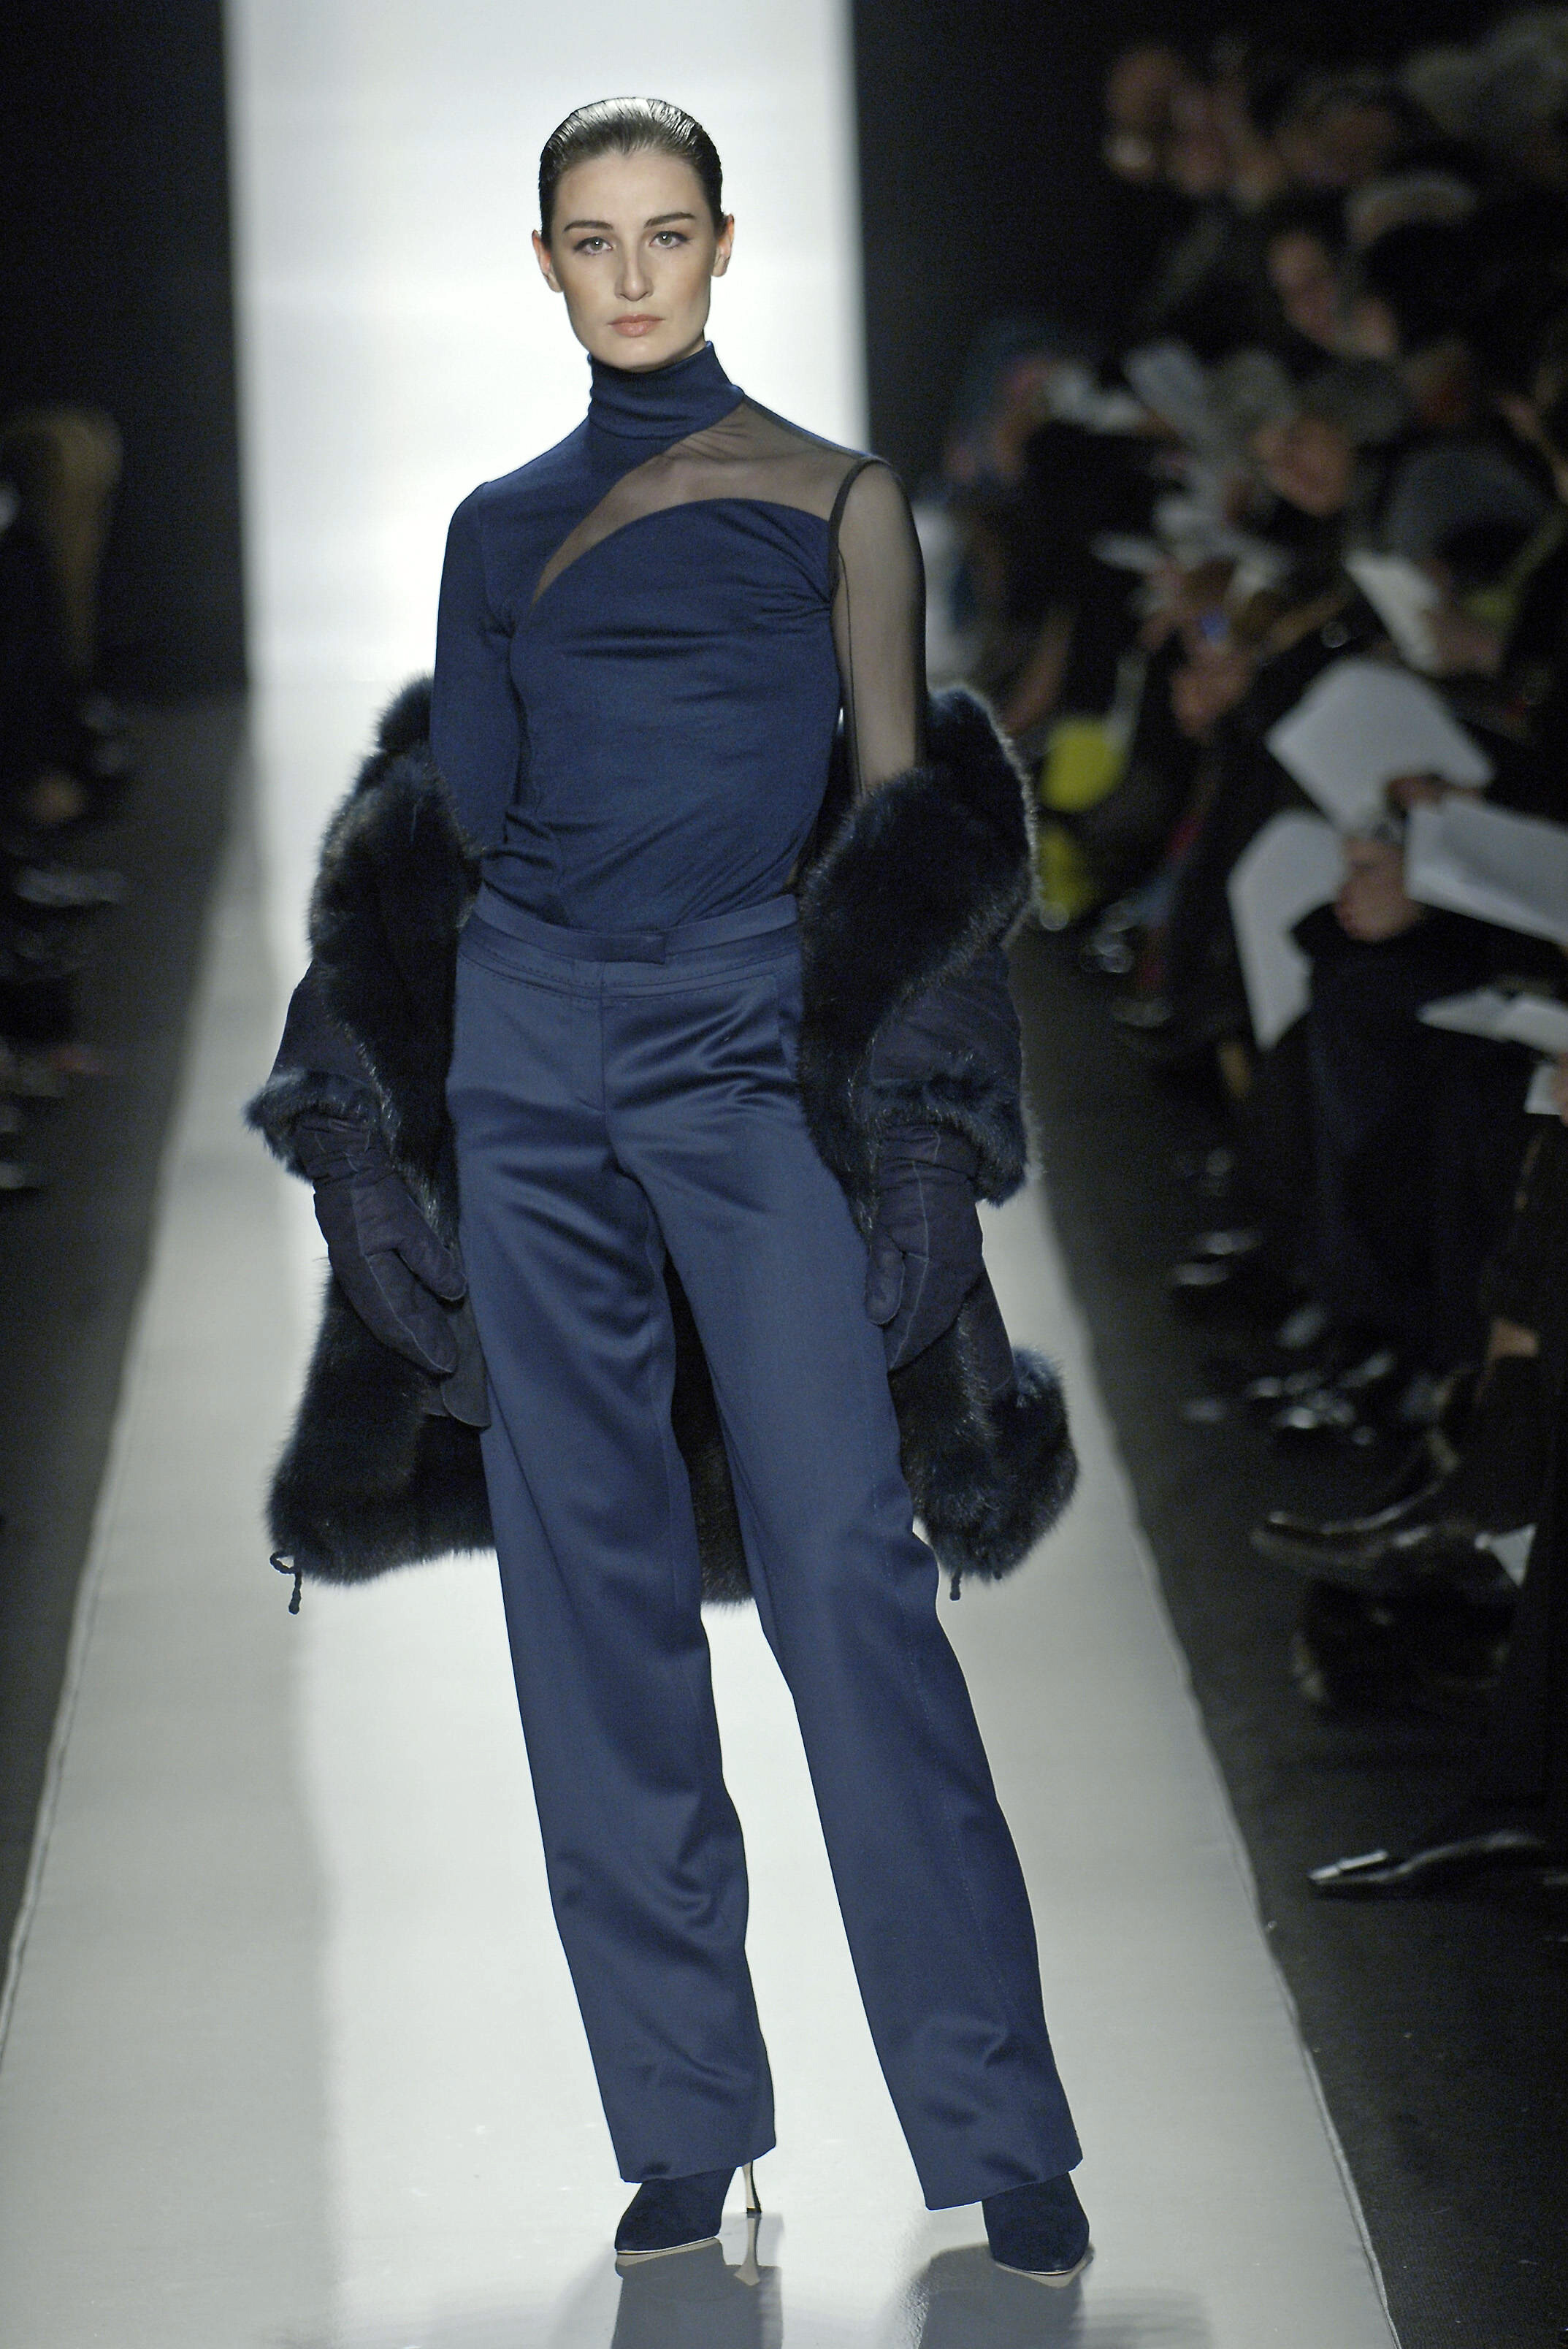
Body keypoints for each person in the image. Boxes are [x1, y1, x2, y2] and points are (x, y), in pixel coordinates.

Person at [249, 99, 1089, 2285]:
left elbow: (914, 846)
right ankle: (683, 2124)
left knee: (849, 1578)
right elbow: (446, 829)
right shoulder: (494, 526)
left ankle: (994, 2119)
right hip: (527, 1060)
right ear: (544, 264)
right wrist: (360, 1124)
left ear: (724, 246)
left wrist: (930, 1137)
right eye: (591, 239)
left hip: (737, 1048)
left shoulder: (844, 507)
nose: (631, 274)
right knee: (585, 1604)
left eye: (666, 234)